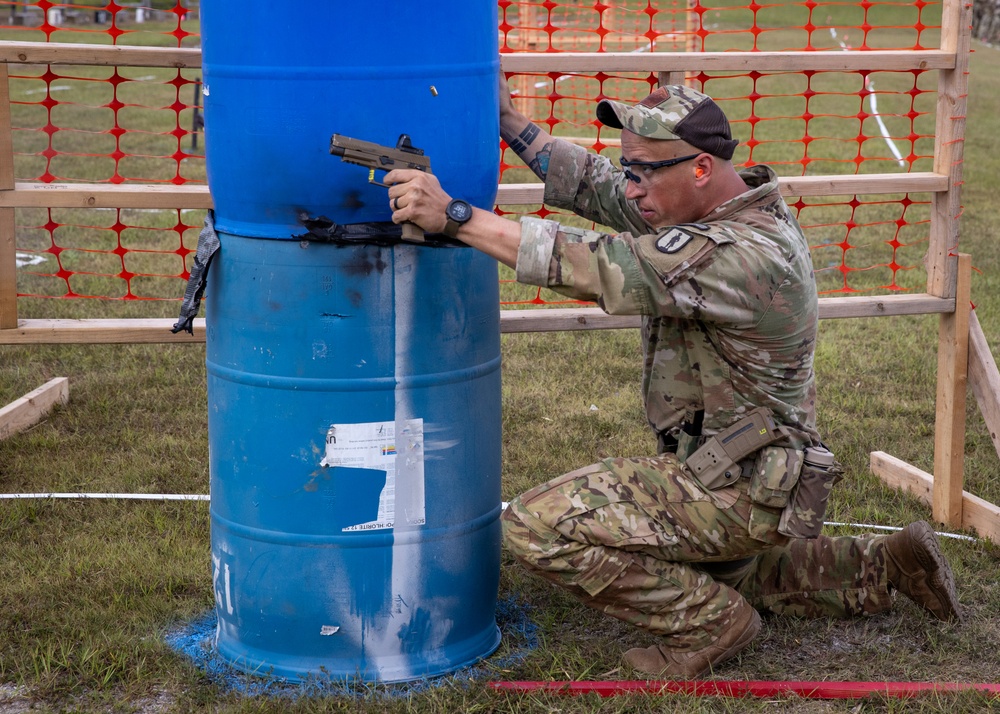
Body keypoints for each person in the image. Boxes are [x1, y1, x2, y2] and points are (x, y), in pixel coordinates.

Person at [383, 77, 961, 678]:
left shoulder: (740, 254)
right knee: (741, 574)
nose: (630, 188)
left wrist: (452, 215)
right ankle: (885, 565)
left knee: (533, 527)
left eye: (643, 173)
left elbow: (597, 265)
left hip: (739, 490)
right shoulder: (718, 204)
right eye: (628, 168)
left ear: (702, 168)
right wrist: (513, 125)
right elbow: (600, 186)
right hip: (748, 472)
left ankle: (712, 626)